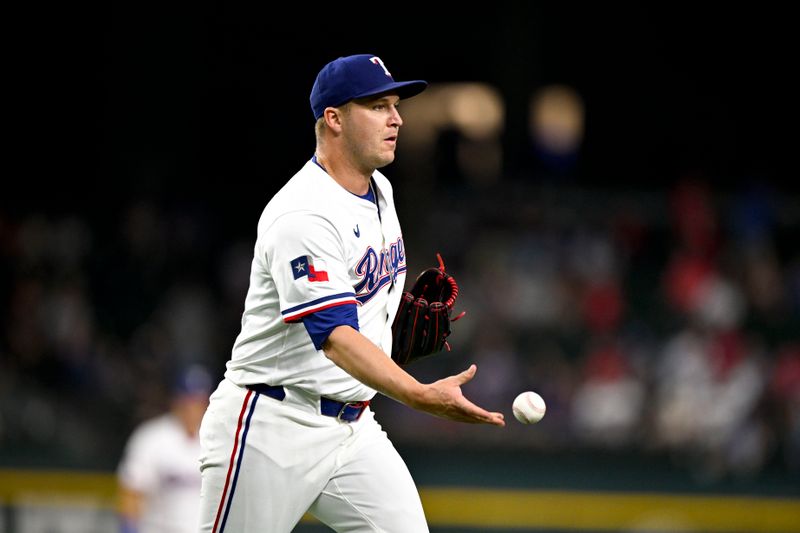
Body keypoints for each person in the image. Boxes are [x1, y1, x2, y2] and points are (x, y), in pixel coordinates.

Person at [197, 53, 505, 533]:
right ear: (334, 119)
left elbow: (359, 311)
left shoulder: (380, 188)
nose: (397, 118)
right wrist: (419, 396)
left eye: (395, 104)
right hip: (271, 426)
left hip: (352, 429)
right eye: (378, 105)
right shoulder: (303, 214)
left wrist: (387, 336)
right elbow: (336, 336)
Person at [117, 364, 213, 533]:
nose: (193, 407)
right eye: (189, 400)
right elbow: (131, 493)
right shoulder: (152, 438)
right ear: (177, 400)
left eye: (199, 400)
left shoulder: (218, 441)